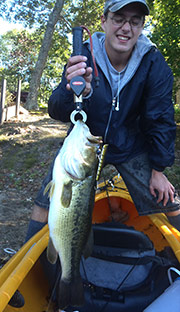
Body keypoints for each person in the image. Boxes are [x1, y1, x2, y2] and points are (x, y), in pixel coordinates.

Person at [25, 0, 180, 309]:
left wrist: (159, 168)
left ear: (141, 26)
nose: (126, 27)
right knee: (46, 201)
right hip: (83, 142)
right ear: (105, 20)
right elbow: (57, 108)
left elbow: (160, 115)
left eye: (135, 21)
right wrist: (69, 89)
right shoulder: (83, 54)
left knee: (170, 199)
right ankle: (36, 270)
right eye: (119, 18)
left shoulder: (153, 62)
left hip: (129, 143)